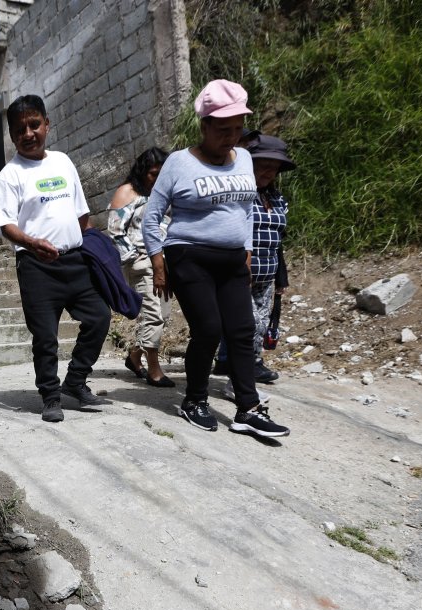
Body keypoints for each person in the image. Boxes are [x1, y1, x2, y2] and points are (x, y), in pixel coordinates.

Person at [141, 80, 290, 437]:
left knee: (241, 330)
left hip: (233, 259)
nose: (231, 137)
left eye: (238, 129)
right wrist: (159, 264)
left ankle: (248, 409)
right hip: (188, 256)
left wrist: (249, 252)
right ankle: (194, 400)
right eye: (223, 129)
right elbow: (152, 216)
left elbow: (248, 211)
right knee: (208, 329)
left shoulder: (245, 160)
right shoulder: (179, 162)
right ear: (204, 126)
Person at [0, 95, 111, 423]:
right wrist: (30, 242)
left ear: (46, 124)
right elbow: (4, 224)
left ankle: (75, 381)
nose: (28, 133)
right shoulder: (10, 175)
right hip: (37, 268)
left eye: (34, 125)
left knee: (99, 318)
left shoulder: (63, 162)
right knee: (45, 336)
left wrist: (92, 248)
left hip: (75, 262)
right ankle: (50, 395)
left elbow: (82, 214)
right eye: (20, 129)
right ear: (12, 136)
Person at [222, 134, 297, 401]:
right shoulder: (238, 197)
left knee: (260, 326)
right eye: (262, 165)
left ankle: (246, 368)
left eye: (273, 167)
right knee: (248, 327)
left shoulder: (278, 201)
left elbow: (278, 242)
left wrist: (281, 278)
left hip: (267, 275)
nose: (268, 172)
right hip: (240, 275)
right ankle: (238, 381)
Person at [107, 147, 173, 387]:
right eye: (153, 174)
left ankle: (135, 357)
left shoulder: (166, 194)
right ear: (143, 172)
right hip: (142, 261)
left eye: (162, 174)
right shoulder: (128, 192)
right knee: (153, 314)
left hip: (165, 262)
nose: (157, 179)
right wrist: (135, 258)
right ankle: (154, 370)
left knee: (162, 315)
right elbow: (115, 230)